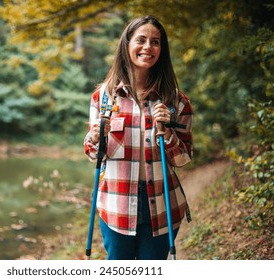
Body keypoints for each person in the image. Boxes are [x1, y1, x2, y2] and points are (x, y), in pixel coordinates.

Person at [84, 15, 193, 260]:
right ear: (127, 44)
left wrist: (167, 132)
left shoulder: (176, 101)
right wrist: (94, 136)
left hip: (163, 204)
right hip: (116, 203)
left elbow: (184, 158)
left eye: (155, 42)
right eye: (141, 40)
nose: (148, 47)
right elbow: (94, 156)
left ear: (161, 50)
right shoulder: (103, 98)